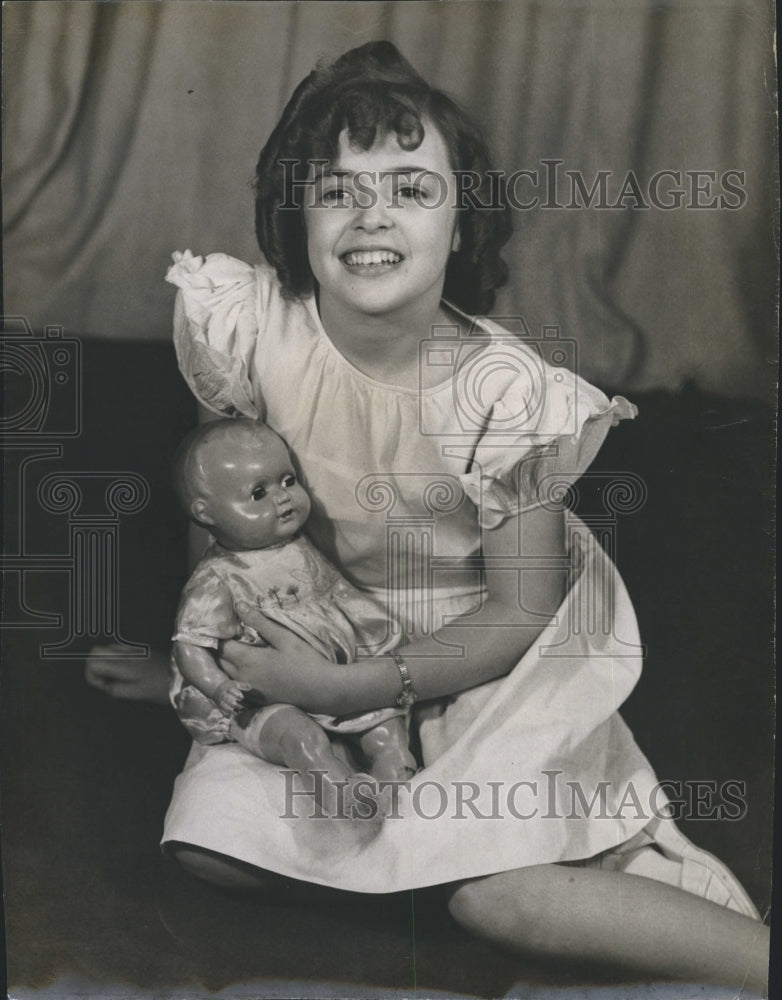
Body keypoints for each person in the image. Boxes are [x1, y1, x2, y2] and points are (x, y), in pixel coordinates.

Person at [87, 41, 769, 991]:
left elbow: (522, 611)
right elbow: (224, 517)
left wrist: (352, 689)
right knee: (206, 844)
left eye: (412, 190)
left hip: (485, 650)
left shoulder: (508, 394)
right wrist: (215, 662)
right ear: (299, 215)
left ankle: (702, 923)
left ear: (461, 226)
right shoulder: (248, 325)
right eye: (338, 190)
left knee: (499, 899)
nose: (372, 216)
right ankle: (420, 847)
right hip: (324, 634)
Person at [169, 417, 416, 808]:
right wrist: (218, 687)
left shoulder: (300, 545)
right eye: (257, 493)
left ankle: (393, 764)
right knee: (299, 737)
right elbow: (190, 645)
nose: (283, 497)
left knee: (384, 718)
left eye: (287, 481)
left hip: (333, 670)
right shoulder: (218, 577)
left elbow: (333, 592)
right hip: (266, 694)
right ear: (206, 512)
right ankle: (336, 791)